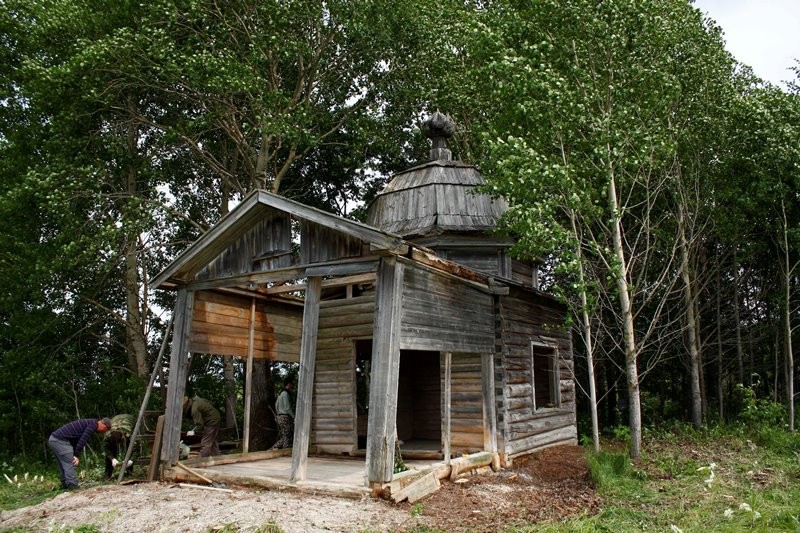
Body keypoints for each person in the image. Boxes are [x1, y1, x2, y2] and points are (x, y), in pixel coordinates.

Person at [48, 417, 112, 489]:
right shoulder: (93, 425)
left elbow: (76, 439)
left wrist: (74, 452)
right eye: (106, 429)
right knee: (71, 463)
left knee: (63, 464)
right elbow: (83, 439)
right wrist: (76, 455)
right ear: (103, 425)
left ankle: (65, 485)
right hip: (60, 440)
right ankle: (73, 486)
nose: (104, 431)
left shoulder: (91, 423)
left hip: (54, 439)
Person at [104, 413, 135, 479]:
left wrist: (131, 460)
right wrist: (112, 459)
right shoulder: (108, 436)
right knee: (111, 450)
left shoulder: (128, 434)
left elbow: (136, 448)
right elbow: (106, 448)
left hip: (130, 419)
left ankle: (129, 471)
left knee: (129, 447)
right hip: (115, 419)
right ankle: (107, 475)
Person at [271, 381, 295, 449]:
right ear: (287, 385)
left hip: (280, 417)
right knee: (288, 436)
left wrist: (278, 414)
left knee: (285, 436)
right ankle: (286, 450)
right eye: (290, 385)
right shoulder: (285, 394)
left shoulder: (280, 394)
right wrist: (294, 417)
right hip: (285, 417)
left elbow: (276, 405)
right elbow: (287, 408)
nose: (291, 387)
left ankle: (273, 449)